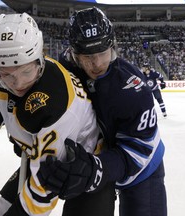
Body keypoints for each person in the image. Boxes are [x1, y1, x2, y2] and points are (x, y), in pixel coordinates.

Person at [0, 12, 115, 216]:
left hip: (87, 167)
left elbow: (43, 191)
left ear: (39, 60)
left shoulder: (57, 103)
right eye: (8, 75)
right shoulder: (11, 71)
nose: (17, 84)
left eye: (26, 72)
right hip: (44, 157)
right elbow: (12, 102)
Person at [37, 7, 167, 216]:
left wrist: (97, 169)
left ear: (112, 46)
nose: (96, 63)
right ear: (74, 53)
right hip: (97, 157)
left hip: (143, 171)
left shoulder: (133, 89)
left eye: (102, 53)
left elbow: (139, 149)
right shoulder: (66, 67)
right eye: (87, 56)